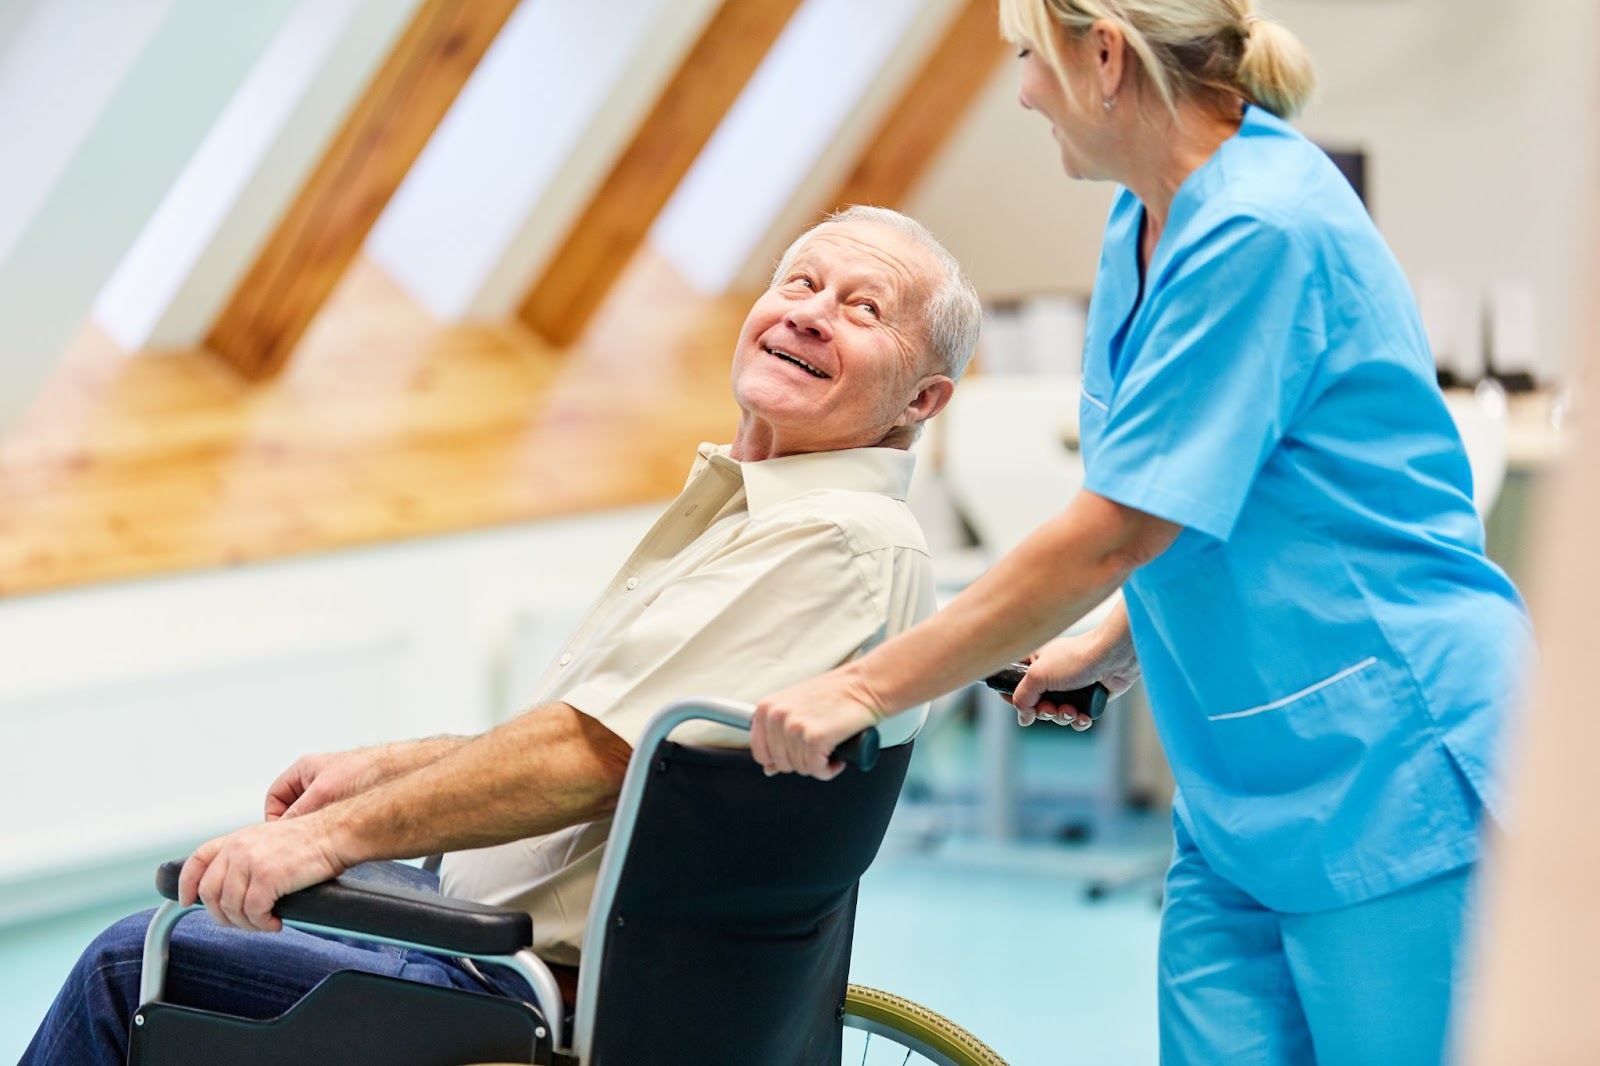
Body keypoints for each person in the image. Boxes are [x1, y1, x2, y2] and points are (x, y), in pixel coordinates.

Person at [750, 4, 1531, 1065]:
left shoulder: (1263, 229)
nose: (1024, 91)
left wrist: (863, 687)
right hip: (1239, 787)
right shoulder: (1143, 221)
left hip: (1393, 770)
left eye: (1030, 59)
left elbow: (1113, 528)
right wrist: (1115, 635)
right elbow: (1201, 483)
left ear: (1104, 57)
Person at [22, 205, 982, 1066]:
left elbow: (591, 752)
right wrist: (387, 770)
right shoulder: (772, 521)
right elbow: (619, 738)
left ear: (922, 400)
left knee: (130, 961)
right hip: (521, 943)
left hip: (516, 989)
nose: (811, 313)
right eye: (800, 284)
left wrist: (326, 839)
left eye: (865, 311)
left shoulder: (830, 542)